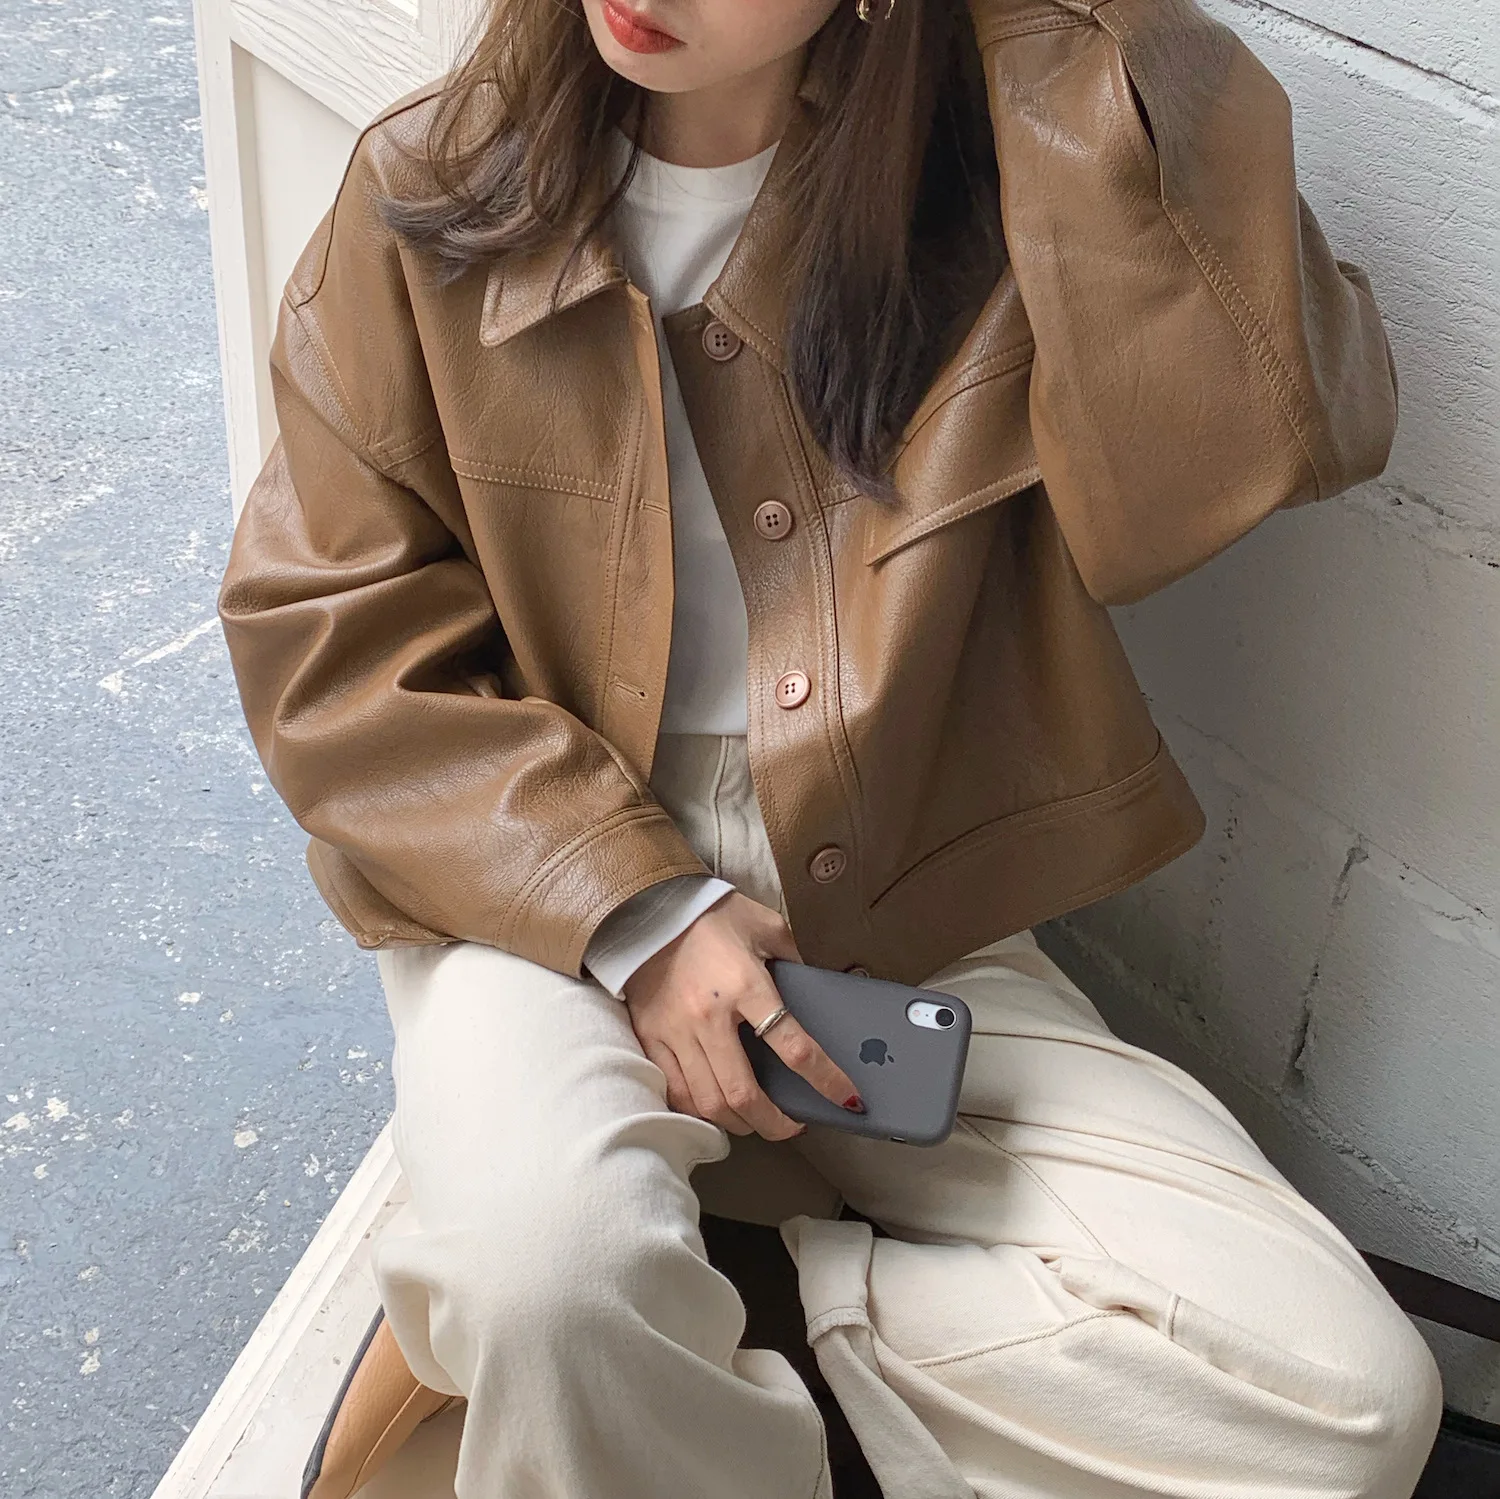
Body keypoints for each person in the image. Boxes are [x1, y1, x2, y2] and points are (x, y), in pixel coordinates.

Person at [216, 0, 1444, 1494]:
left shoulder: (1008, 197)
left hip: (901, 890)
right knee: (553, 1275)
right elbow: (328, 636)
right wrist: (640, 912)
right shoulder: (430, 191)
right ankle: (589, 1337)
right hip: (533, 881)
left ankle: (705, 1338)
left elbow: (1269, 436)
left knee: (1347, 1399)